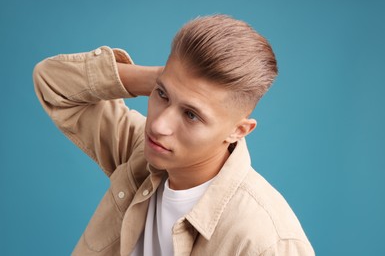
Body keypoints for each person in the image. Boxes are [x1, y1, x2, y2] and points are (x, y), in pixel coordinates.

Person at [33, 15, 314, 256]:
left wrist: (171, 88)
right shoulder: (141, 153)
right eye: (162, 95)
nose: (158, 126)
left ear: (238, 131)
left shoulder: (265, 241)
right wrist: (158, 79)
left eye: (191, 114)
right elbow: (51, 81)